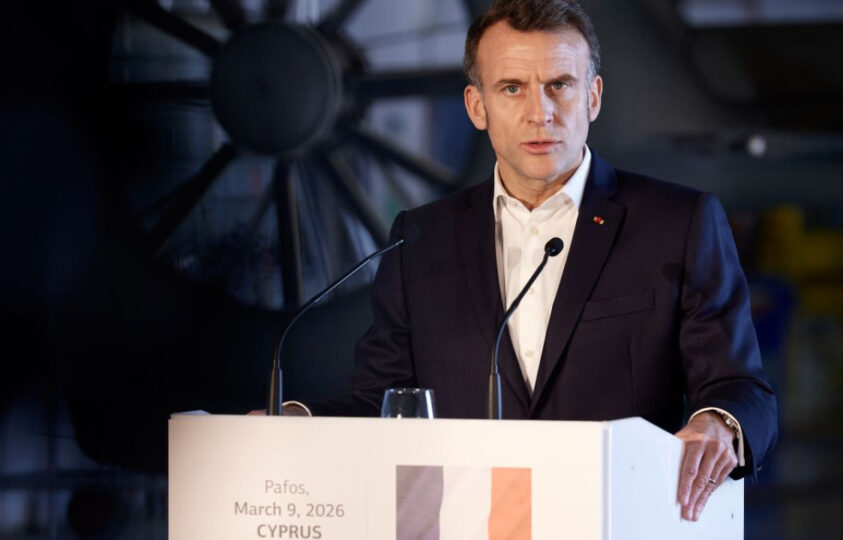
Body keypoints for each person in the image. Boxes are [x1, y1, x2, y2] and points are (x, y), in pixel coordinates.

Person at [292, 0, 777, 522]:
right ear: (477, 106)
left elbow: (740, 388)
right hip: (465, 523)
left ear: (593, 96)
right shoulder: (420, 239)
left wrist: (718, 424)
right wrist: (293, 422)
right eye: (511, 88)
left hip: (617, 518)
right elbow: (382, 403)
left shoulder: (677, 223)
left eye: (559, 85)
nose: (539, 112)